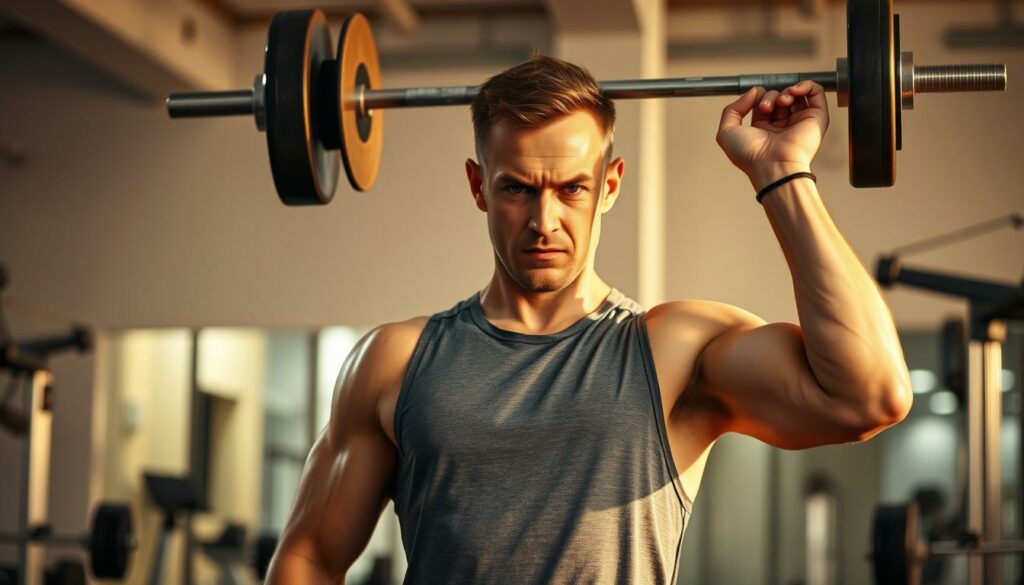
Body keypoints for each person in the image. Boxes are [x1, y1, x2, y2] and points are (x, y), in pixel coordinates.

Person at [264, 55, 912, 584]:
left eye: (571, 188)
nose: (544, 221)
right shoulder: (396, 360)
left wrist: (782, 173)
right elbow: (309, 556)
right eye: (517, 187)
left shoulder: (672, 351)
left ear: (609, 184)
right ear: (478, 186)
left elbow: (869, 394)